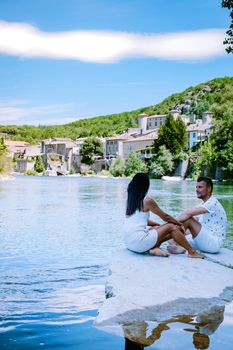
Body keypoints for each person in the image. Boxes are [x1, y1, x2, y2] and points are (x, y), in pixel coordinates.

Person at [123, 173, 204, 258]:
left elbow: (140, 220)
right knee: (171, 227)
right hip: (139, 242)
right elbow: (166, 217)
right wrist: (179, 224)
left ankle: (154, 248)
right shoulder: (147, 200)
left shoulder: (129, 200)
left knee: (155, 228)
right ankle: (192, 252)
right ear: (145, 185)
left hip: (129, 243)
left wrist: (158, 225)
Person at [177, 176, 227, 253]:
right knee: (174, 236)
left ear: (209, 188)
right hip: (205, 238)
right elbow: (194, 222)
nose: (197, 190)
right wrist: (176, 231)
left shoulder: (212, 203)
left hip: (214, 242)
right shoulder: (203, 204)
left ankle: (181, 247)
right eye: (196, 187)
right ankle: (174, 245)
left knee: (188, 219)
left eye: (200, 187)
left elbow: (187, 214)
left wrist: (168, 223)